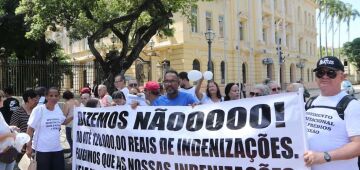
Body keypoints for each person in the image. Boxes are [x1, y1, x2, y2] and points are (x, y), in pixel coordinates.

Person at [303, 56, 360, 169]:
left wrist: (324, 157)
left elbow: (358, 145)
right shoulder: (310, 103)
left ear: (342, 77)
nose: (325, 76)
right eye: (320, 72)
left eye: (331, 73)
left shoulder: (351, 105)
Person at [26, 87, 73, 170]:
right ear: (46, 97)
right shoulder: (38, 110)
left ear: (59, 97)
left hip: (57, 149)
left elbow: (63, 122)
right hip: (41, 150)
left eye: (56, 95)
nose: (54, 98)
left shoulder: (57, 109)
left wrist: (74, 116)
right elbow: (30, 129)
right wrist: (28, 147)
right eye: (51, 95)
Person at [10, 89, 39, 162]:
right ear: (29, 99)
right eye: (35, 100)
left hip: (37, 146)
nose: (37, 102)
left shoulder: (37, 111)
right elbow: (12, 130)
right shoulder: (18, 112)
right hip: (23, 148)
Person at [62, 90, 80, 159]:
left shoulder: (67, 103)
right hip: (77, 124)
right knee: (75, 140)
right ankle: (75, 154)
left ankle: (73, 154)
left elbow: (64, 115)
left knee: (70, 139)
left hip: (69, 124)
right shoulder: (77, 101)